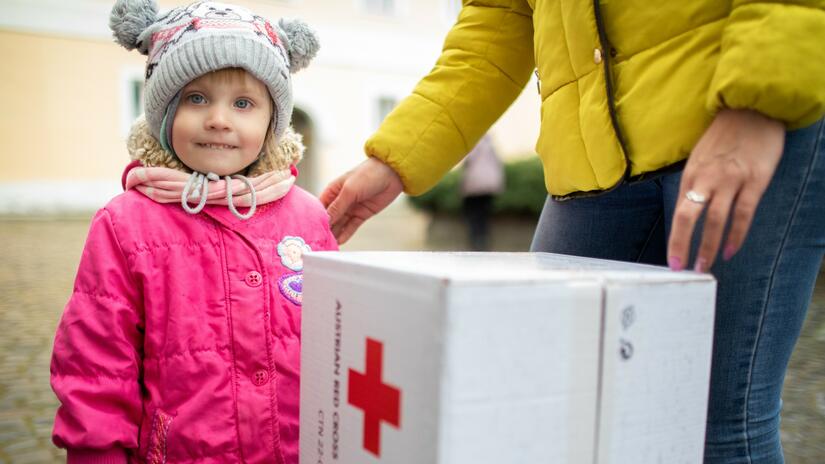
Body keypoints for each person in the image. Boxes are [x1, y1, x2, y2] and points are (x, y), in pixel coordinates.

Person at [320, 2, 825, 462]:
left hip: (740, 110)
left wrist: (762, 98)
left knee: (715, 426)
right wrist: (396, 157)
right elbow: (498, 23)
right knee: (548, 405)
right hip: (590, 156)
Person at [49, 1, 336, 463]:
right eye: (196, 98)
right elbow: (96, 361)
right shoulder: (126, 224)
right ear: (165, 115)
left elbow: (338, 342)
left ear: (272, 123)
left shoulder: (306, 217)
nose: (219, 119)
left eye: (243, 103)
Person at [460, 134, 504, 251]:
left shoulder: (473, 143)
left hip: (474, 186)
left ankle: (476, 241)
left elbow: (467, 163)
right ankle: (484, 240)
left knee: (474, 214)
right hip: (489, 186)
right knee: (484, 214)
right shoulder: (490, 145)